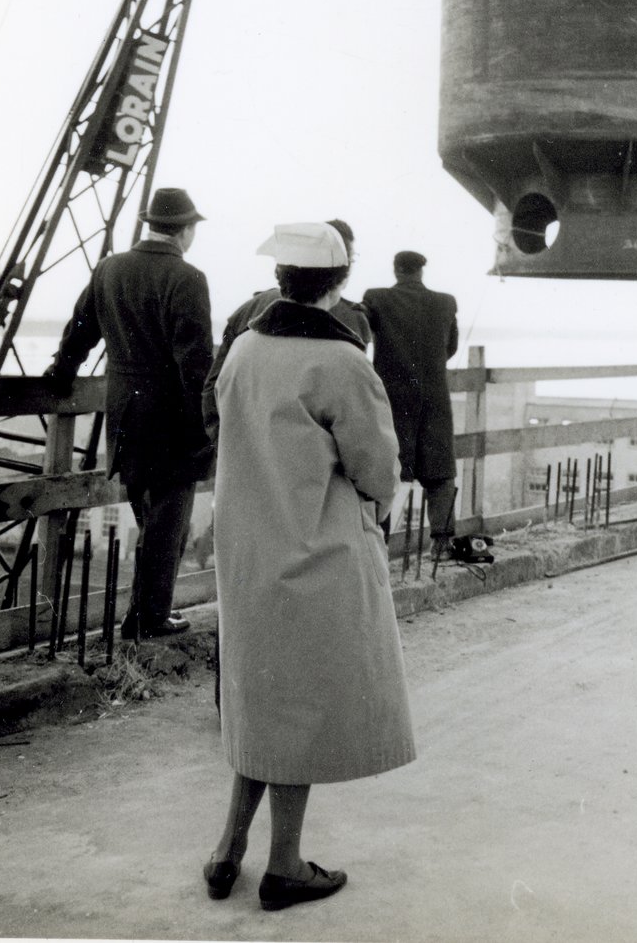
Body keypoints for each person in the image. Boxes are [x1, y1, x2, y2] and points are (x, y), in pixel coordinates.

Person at [205, 222, 414, 911]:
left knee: (259, 700)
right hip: (315, 549)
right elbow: (377, 469)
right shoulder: (341, 362)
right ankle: (285, 864)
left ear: (281, 276)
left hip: (246, 549)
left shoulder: (243, 347)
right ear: (338, 279)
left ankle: (227, 849)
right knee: (297, 707)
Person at [48, 186, 213, 640]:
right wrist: (206, 425)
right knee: (168, 521)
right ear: (185, 230)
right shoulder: (188, 278)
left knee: (152, 516)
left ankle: (144, 612)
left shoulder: (109, 269)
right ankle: (149, 618)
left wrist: (61, 375)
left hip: (123, 415)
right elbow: (196, 363)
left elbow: (80, 330)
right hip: (172, 420)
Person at [202, 218, 368, 445]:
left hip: (243, 466)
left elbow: (213, 390)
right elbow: (364, 438)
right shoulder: (352, 323)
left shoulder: (248, 312)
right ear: (342, 269)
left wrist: (228, 449)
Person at [363, 250, 461, 556]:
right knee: (440, 473)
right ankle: (442, 544)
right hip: (434, 398)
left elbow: (359, 337)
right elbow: (452, 346)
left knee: (386, 473)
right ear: (421, 271)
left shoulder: (376, 299)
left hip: (392, 401)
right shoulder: (445, 302)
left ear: (396, 270)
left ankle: (378, 544)